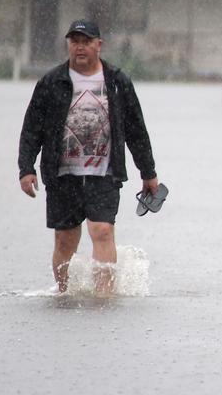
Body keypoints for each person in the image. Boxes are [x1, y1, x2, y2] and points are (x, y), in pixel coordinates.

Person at [17, 18, 159, 296]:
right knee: (64, 241)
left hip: (105, 172)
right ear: (68, 45)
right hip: (62, 174)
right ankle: (63, 293)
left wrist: (148, 173)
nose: (80, 47)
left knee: (103, 230)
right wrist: (26, 168)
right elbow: (31, 127)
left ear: (99, 45)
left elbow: (136, 129)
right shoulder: (52, 82)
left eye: (86, 42)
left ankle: (103, 296)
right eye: (74, 42)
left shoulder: (117, 82)